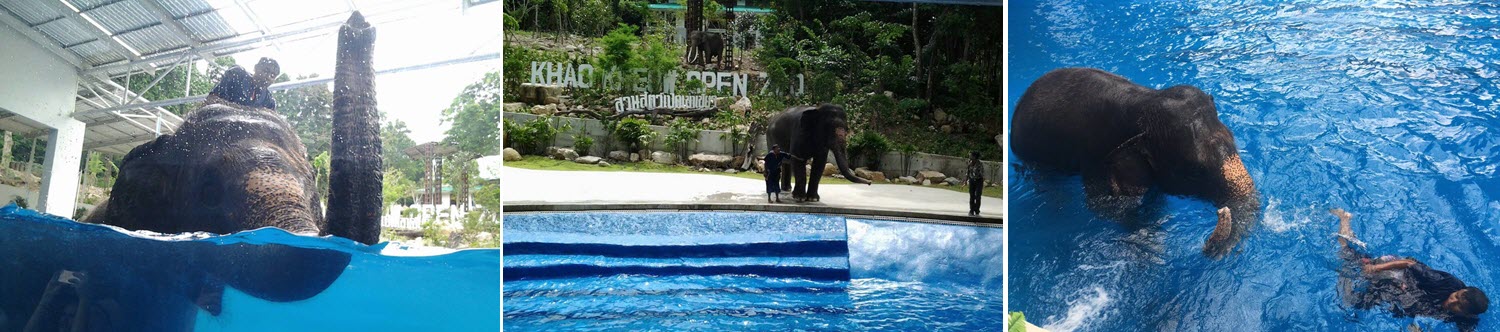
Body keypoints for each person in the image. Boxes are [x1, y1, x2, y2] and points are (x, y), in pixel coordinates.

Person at [1332, 208, 1488, 331]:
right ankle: (1344, 218)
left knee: (1363, 302)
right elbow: (1407, 263)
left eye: (1459, 305)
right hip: (1398, 270)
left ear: (1467, 314)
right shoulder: (1442, 282)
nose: (1453, 300)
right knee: (1348, 257)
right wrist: (1375, 267)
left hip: (1407, 291)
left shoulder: (1466, 319)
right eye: (1457, 295)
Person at [207, 57, 279, 110]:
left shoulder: (268, 100)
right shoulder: (238, 75)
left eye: (272, 76)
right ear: (256, 68)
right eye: (265, 71)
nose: (268, 77)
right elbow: (212, 98)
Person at [967, 151, 985, 216]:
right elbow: (968, 172)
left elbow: (981, 174)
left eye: (970, 155)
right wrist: (966, 181)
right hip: (972, 181)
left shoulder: (980, 164)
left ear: (974, 157)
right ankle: (971, 210)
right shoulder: (969, 163)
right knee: (972, 196)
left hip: (978, 181)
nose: (969, 156)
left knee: (977, 196)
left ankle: (977, 211)